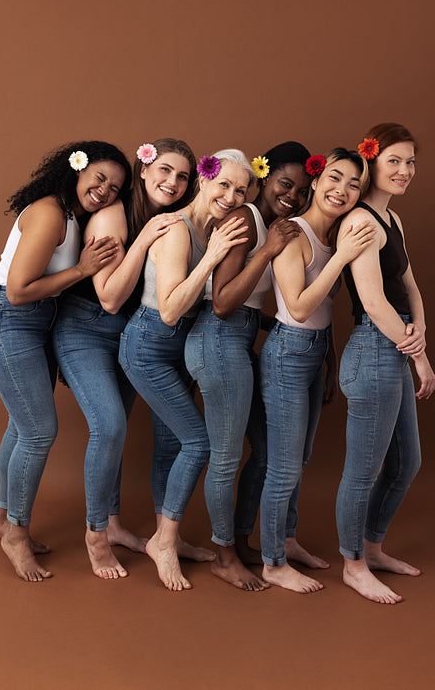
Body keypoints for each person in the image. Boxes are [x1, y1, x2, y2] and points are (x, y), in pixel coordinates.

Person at [0, 141, 125, 581]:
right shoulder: (50, 212)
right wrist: (82, 269)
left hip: (36, 322)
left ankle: (5, 519)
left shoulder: (73, 216)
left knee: (21, 427)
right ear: (75, 169)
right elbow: (19, 290)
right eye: (99, 178)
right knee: (39, 431)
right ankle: (16, 534)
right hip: (8, 317)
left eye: (114, 187)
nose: (105, 190)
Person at [53, 138, 199, 579]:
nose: (172, 182)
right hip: (85, 328)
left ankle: (114, 524)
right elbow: (111, 298)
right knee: (110, 425)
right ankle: (96, 534)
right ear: (144, 168)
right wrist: (143, 242)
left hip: (124, 337)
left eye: (182, 176)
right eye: (165, 171)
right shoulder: (113, 215)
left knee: (118, 429)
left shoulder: (170, 221)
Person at [119, 149, 253, 591]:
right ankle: (164, 541)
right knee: (197, 442)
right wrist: (213, 257)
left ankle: (167, 539)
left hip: (175, 354)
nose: (232, 197)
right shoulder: (179, 231)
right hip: (147, 348)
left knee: (167, 448)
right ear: (203, 180)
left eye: (241, 189)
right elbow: (173, 311)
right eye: (224, 185)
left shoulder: (209, 228)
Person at [184, 141, 313, 590]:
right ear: (264, 179)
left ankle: (239, 542)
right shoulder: (245, 218)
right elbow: (221, 304)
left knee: (264, 449)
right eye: (285, 183)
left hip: (236, 340)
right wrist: (267, 250)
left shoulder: (261, 221)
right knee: (226, 457)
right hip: (217, 340)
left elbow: (246, 308)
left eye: (302, 189)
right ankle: (223, 556)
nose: (293, 196)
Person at [259, 147, 375, 592]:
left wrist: (329, 365)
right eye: (336, 178)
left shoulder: (336, 234)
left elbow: (326, 313)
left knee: (300, 460)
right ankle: (271, 562)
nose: (342, 190)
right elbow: (301, 307)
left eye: (354, 186)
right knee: (283, 468)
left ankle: (286, 540)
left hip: (313, 353)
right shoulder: (294, 234)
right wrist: (343, 256)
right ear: (317, 177)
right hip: (287, 353)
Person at [335, 123, 435, 604]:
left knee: (406, 462)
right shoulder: (359, 220)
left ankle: (372, 548)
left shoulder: (392, 221)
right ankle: (353, 564)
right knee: (363, 470)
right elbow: (373, 301)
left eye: (410, 161)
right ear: (370, 160)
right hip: (374, 349)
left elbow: (410, 288)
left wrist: (422, 350)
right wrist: (416, 354)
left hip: (395, 346)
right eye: (394, 160)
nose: (404, 170)